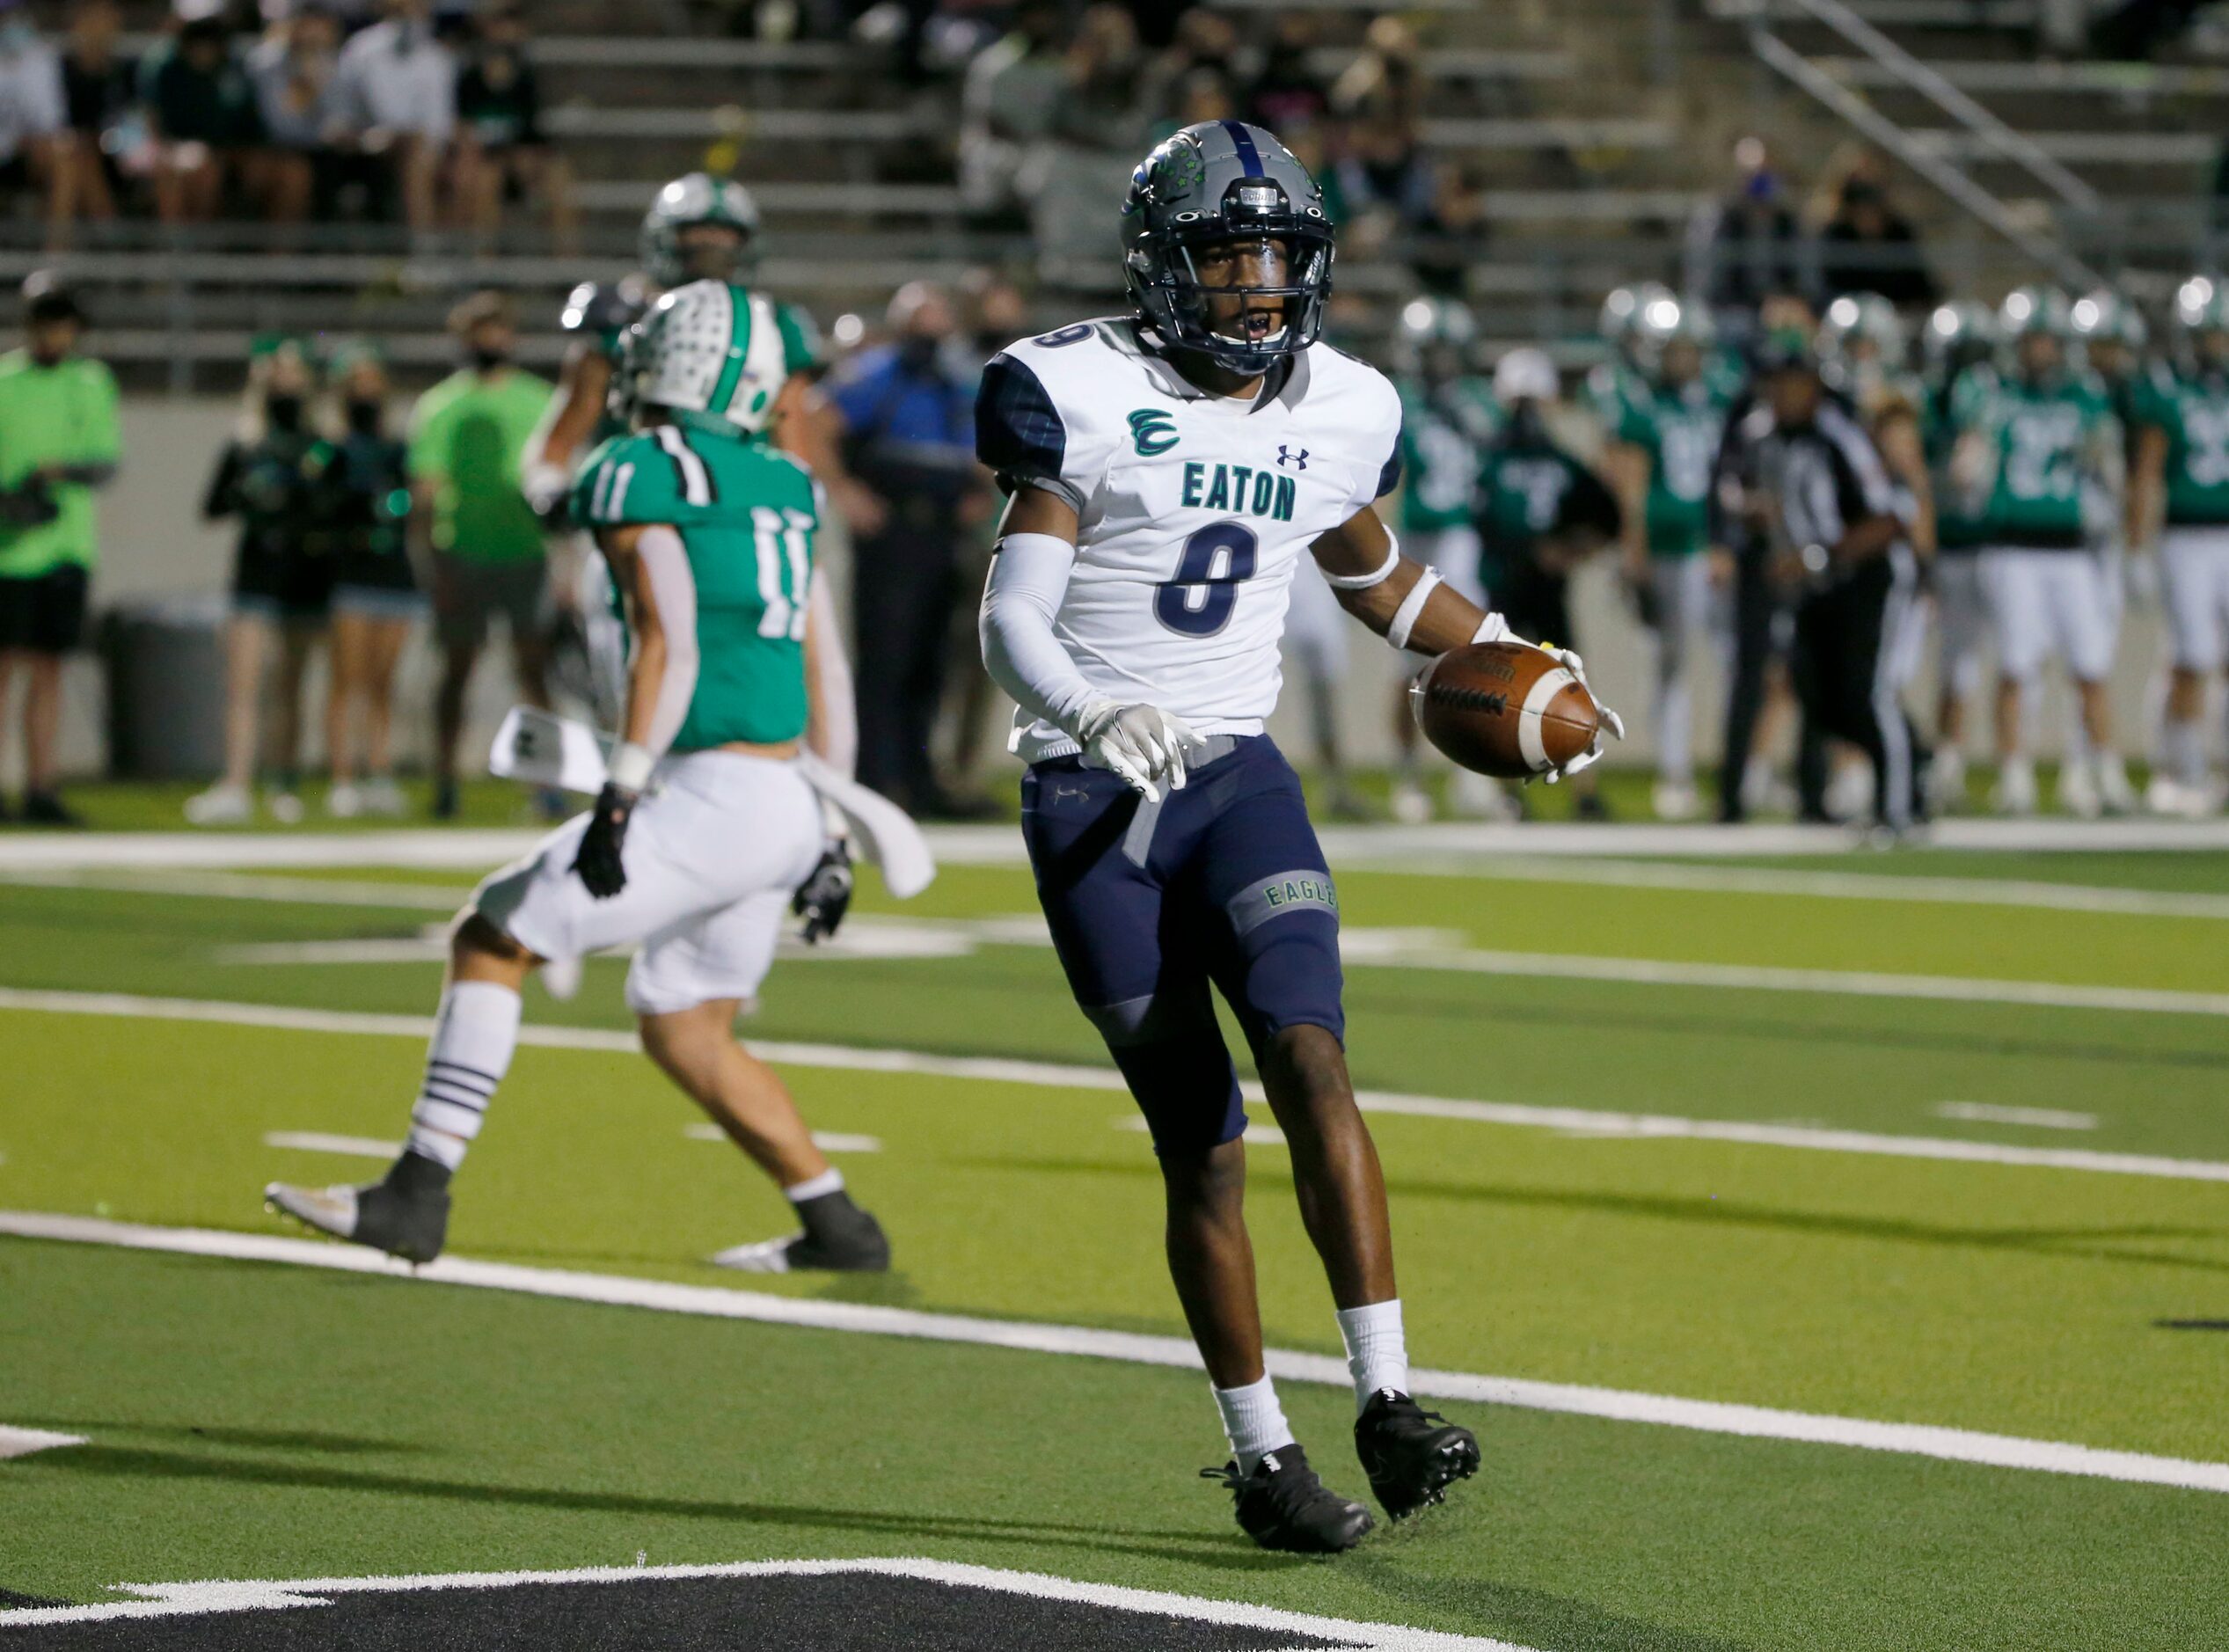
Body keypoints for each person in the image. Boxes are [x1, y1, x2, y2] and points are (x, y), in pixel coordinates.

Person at [975, 121, 1620, 1553]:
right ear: (1159, 263)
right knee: (1199, 1144)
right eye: (1226, 256)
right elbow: (1008, 614)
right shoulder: (1071, 391)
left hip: (1235, 775)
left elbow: (1375, 574)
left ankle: (1387, 1393)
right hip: (1092, 799)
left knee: (1313, 1057)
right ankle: (1262, 1455)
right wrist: (1087, 710)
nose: (1257, 287)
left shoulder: (1336, 405)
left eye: (1277, 257)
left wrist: (1519, 661)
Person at [267, 279, 887, 1276]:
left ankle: (414, 1193)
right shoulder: (785, 485)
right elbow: (827, 666)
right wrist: (831, 827)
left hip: (698, 790)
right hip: (781, 797)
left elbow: (669, 648)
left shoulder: (634, 469)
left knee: (492, 933)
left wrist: (621, 794)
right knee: (687, 1028)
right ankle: (839, 1225)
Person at [1732, 334, 1928, 832]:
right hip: (1817, 583)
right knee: (1815, 692)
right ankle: (1909, 758)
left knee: (1867, 692)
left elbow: (1891, 517)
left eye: (1792, 384)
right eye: (1775, 384)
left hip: (1868, 576)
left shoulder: (1840, 436)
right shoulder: (1765, 437)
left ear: (1814, 387)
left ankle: (1899, 806)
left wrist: (1816, 556)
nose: (1782, 394)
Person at [1953, 286, 2132, 816]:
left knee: (2091, 666)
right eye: (2032, 340)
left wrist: (2109, 483)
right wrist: (1972, 468)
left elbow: (2110, 469)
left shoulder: (2085, 397)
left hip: (2073, 551)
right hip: (2014, 549)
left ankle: (2106, 772)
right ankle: (2014, 775)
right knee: (2016, 664)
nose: (2040, 351)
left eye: (2048, 341)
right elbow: (1969, 467)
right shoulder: (1990, 394)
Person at [828, 281, 991, 815]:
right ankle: (875, 778)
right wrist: (846, 493)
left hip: (942, 532)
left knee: (932, 662)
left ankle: (920, 779)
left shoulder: (956, 380)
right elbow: (815, 420)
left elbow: (981, 449)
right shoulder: (876, 373)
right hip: (892, 531)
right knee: (886, 659)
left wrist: (977, 492)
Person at [409, 290, 555, 820]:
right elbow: (425, 490)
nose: (491, 342)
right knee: (457, 670)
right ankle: (446, 779)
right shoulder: (442, 405)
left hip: (523, 551)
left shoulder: (538, 400)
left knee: (534, 671)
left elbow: (555, 480)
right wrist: (431, 564)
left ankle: (546, 783)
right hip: (463, 554)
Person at [186, 338, 333, 827]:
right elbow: (211, 508)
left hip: (305, 574)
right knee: (244, 683)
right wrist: (246, 494)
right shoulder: (246, 443)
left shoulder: (320, 446)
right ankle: (236, 782)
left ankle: (284, 781)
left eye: (296, 377)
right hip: (255, 572)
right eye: (279, 377)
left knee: (290, 685)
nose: (287, 387)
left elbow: (335, 510)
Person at [1475, 347, 1623, 819]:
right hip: (1503, 589)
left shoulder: (1559, 462)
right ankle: (1507, 794)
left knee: (1571, 688)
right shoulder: (1491, 460)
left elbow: (1609, 518)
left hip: (1543, 591)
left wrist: (1570, 550)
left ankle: (1585, 788)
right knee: (1501, 695)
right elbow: (1476, 523)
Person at [1603, 292, 1729, 821]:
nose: (1687, 359)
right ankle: (1674, 772)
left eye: (1691, 349)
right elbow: (1632, 486)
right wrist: (1635, 554)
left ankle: (1743, 771)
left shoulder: (1720, 398)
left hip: (1717, 549)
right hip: (1671, 550)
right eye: (1677, 349)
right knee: (1672, 665)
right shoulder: (1643, 404)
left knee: (1736, 662)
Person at [1380, 296, 1504, 824]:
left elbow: (1499, 459)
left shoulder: (1478, 400)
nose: (1442, 363)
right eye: (1434, 353)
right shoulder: (1399, 400)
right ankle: (1408, 773)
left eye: (1448, 353)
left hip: (1469, 537)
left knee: (1476, 659)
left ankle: (1472, 773)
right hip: (1419, 537)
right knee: (1412, 666)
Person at [0, 274, 115, 826]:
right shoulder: (4, 381)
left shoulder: (91, 383)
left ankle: (41, 785)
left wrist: (57, 473)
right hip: (6, 548)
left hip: (65, 546)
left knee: (49, 669)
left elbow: (104, 462)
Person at [2130, 276, 2229, 816]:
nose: (2215, 345)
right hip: (2187, 537)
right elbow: (2146, 475)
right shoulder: (2167, 391)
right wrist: (2138, 547)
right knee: (2192, 655)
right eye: (2207, 334)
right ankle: (2180, 769)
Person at [323, 342, 415, 819]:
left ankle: (380, 770)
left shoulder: (398, 450)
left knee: (383, 681)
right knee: (347, 679)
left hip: (395, 574)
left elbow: (414, 505)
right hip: (352, 574)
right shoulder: (334, 452)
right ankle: (343, 776)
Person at [1918, 298, 2000, 811]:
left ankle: (1950, 760)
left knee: (1976, 664)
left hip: (1993, 545)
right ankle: (1924, 760)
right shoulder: (1923, 401)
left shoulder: (1998, 398)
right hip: (1937, 547)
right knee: (1914, 663)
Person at [450, 4, 574, 256]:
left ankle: (565, 261)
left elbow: (533, 131)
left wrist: (525, 157)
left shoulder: (526, 76)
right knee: (486, 177)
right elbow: (460, 127)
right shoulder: (468, 75)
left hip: (518, 160)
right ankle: (485, 263)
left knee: (558, 174)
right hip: (483, 160)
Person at [331, 0, 453, 233]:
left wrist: (431, 145)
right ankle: (423, 253)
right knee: (413, 150)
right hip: (366, 145)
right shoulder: (360, 49)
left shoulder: (437, 56)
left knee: (467, 168)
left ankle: (466, 258)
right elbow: (344, 115)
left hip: (425, 148)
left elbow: (440, 121)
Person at [0, 1, 69, 238]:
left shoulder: (39, 57)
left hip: (21, 156)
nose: (6, 23)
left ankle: (53, 265)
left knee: (65, 156)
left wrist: (30, 140)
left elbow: (50, 125)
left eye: (10, 15)